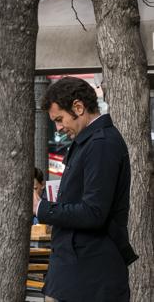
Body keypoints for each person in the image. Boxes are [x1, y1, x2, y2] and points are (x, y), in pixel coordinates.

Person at [33, 77, 136, 302]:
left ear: (78, 107)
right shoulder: (91, 141)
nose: (58, 128)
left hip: (90, 275)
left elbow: (93, 213)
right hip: (78, 273)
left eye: (60, 119)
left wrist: (42, 207)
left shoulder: (101, 144)